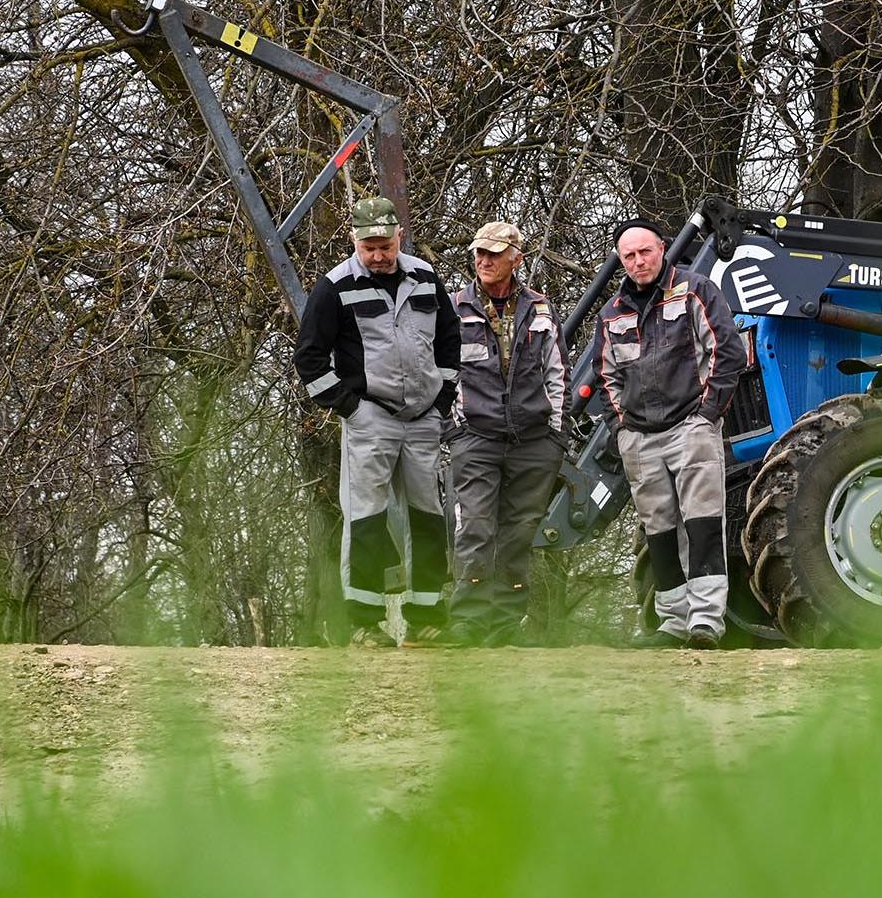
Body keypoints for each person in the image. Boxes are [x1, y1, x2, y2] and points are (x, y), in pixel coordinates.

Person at [293, 195, 459, 647]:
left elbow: (449, 340)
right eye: (369, 247)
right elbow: (308, 358)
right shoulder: (335, 286)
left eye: (385, 244)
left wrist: (443, 398)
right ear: (354, 240)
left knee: (428, 516)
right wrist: (350, 408)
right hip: (371, 419)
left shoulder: (425, 276)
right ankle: (363, 622)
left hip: (424, 420)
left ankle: (427, 618)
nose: (379, 255)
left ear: (398, 235)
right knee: (365, 518)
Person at [596, 218, 744, 648]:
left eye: (645, 251)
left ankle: (706, 621)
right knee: (658, 531)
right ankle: (673, 621)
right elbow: (606, 376)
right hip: (639, 437)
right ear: (620, 261)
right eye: (629, 256)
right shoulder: (612, 314)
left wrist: (708, 414)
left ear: (662, 248)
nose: (639, 261)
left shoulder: (697, 290)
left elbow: (727, 351)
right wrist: (621, 428)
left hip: (691, 428)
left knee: (701, 524)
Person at [444, 221, 566, 645]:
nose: (484, 261)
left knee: (518, 533)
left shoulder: (542, 310)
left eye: (494, 254)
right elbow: (441, 376)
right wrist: (454, 431)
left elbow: (557, 374)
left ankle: (505, 623)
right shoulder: (454, 309)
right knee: (475, 527)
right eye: (479, 253)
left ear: (516, 258)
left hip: (533, 441)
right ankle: (467, 620)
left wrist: (555, 434)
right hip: (476, 438)